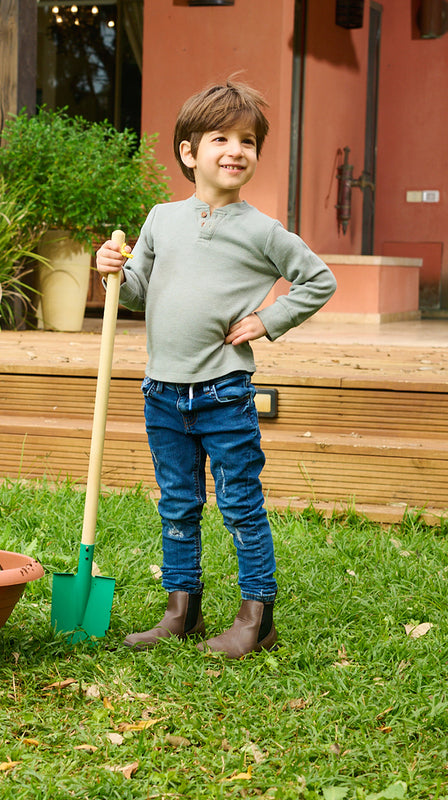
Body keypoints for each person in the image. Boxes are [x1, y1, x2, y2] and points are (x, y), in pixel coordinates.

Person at [95, 79, 337, 658]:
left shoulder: (262, 230)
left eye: (248, 141)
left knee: (239, 503)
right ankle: (181, 609)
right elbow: (135, 291)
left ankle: (257, 616)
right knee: (177, 502)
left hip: (224, 391)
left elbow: (319, 279)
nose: (236, 150)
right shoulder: (160, 218)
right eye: (221, 138)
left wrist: (267, 320)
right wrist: (110, 270)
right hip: (162, 392)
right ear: (189, 152)